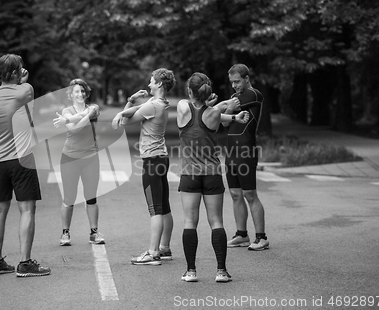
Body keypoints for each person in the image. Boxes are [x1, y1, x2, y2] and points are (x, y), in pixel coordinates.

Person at [0, 54, 50, 277]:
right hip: (22, 159)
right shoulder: (25, 90)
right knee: (27, 209)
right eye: (19, 69)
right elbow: (24, 89)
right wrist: (21, 79)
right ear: (15, 74)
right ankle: (25, 263)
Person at [177, 72, 249, 282]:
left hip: (190, 174)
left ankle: (191, 271)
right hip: (212, 174)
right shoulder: (214, 114)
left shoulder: (182, 107)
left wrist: (212, 103)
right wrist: (230, 109)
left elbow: (195, 105)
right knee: (216, 221)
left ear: (190, 91)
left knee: (190, 221)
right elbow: (218, 114)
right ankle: (221, 271)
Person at [112, 68, 175, 265]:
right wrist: (130, 101)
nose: (148, 84)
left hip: (152, 161)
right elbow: (133, 111)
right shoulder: (160, 103)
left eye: (151, 81)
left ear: (159, 84)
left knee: (155, 209)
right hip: (161, 158)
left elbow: (125, 121)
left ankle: (153, 253)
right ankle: (164, 248)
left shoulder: (153, 105)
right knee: (164, 206)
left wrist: (122, 111)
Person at [222, 64, 269, 251]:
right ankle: (242, 235)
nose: (234, 85)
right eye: (232, 82)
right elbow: (224, 123)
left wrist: (226, 108)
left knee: (250, 194)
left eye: (237, 81)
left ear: (247, 78)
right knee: (235, 194)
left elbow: (226, 109)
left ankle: (261, 238)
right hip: (231, 152)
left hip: (246, 151)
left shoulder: (254, 95)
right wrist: (227, 109)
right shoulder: (234, 98)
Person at [52, 78, 105, 246]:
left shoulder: (94, 108)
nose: (80, 94)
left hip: (90, 157)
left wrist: (69, 120)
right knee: (69, 198)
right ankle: (65, 233)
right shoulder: (66, 110)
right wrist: (79, 118)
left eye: (82, 91)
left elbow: (74, 124)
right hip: (70, 158)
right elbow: (73, 130)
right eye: (76, 91)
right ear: (71, 94)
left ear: (86, 93)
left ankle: (94, 232)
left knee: (91, 197)